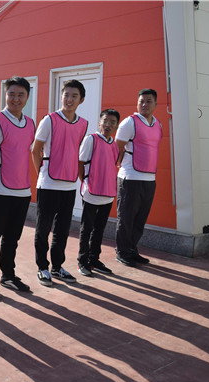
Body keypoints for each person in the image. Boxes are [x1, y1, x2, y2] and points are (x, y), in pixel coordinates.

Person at [0, 76, 35, 299]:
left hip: (23, 190)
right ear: (5, 95)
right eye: (11, 94)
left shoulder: (30, 123)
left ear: (27, 97)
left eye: (21, 94)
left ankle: (8, 275)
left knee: (12, 238)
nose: (16, 99)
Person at [31, 79, 88, 287]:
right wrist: (41, 173)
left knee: (63, 230)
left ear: (81, 100)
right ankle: (42, 267)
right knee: (43, 229)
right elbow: (35, 150)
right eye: (66, 95)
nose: (69, 99)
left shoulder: (83, 124)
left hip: (69, 185)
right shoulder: (49, 120)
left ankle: (57, 266)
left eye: (74, 96)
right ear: (61, 96)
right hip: (48, 184)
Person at [115, 88, 162, 267]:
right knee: (126, 217)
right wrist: (122, 167)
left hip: (149, 179)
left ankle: (132, 250)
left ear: (155, 104)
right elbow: (117, 148)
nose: (144, 104)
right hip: (130, 177)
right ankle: (122, 252)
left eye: (148, 101)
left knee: (140, 219)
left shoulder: (157, 124)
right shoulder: (129, 122)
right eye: (141, 101)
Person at [77, 109, 120, 276]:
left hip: (107, 194)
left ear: (116, 126)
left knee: (99, 229)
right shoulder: (91, 140)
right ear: (99, 123)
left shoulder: (114, 145)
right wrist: (86, 182)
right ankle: (82, 261)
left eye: (112, 122)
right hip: (91, 193)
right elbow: (80, 163)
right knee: (86, 228)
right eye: (105, 121)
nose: (108, 125)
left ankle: (94, 259)